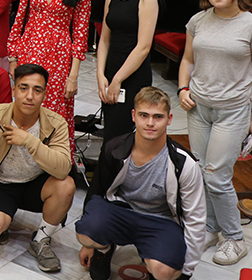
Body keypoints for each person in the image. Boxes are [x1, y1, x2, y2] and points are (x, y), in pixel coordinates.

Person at [178, 0, 252, 265]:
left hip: (233, 112)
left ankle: (234, 238)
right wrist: (182, 88)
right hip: (199, 109)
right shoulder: (198, 21)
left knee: (217, 177)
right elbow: (188, 59)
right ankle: (210, 227)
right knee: (202, 172)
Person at [76, 87, 206, 280]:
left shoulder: (184, 164)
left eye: (158, 117)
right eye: (144, 115)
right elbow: (96, 193)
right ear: (133, 116)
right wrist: (89, 245)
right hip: (121, 211)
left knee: (165, 271)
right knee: (85, 232)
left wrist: (186, 271)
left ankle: (156, 262)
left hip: (161, 221)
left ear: (169, 119)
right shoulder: (114, 148)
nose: (150, 123)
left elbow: (195, 219)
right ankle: (104, 250)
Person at [0, 64, 75, 273]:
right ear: (14, 89)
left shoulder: (56, 123)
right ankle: (3, 217)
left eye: (37, 90)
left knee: (66, 185)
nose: (29, 96)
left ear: (44, 94)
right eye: (23, 88)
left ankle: (41, 240)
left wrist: (29, 141)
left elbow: (63, 168)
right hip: (1, 183)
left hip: (36, 184)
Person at [8, 0, 90, 159]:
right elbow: (19, 18)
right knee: (26, 103)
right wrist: (13, 58)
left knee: (55, 111)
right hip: (29, 51)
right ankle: (21, 159)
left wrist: (72, 76)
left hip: (59, 57)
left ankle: (54, 160)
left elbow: (80, 35)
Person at [96, 0, 160, 142]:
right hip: (111, 71)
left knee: (121, 135)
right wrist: (100, 74)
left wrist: (118, 79)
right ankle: (111, 171)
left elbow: (143, 47)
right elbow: (104, 40)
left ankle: (121, 172)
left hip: (133, 75)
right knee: (110, 132)